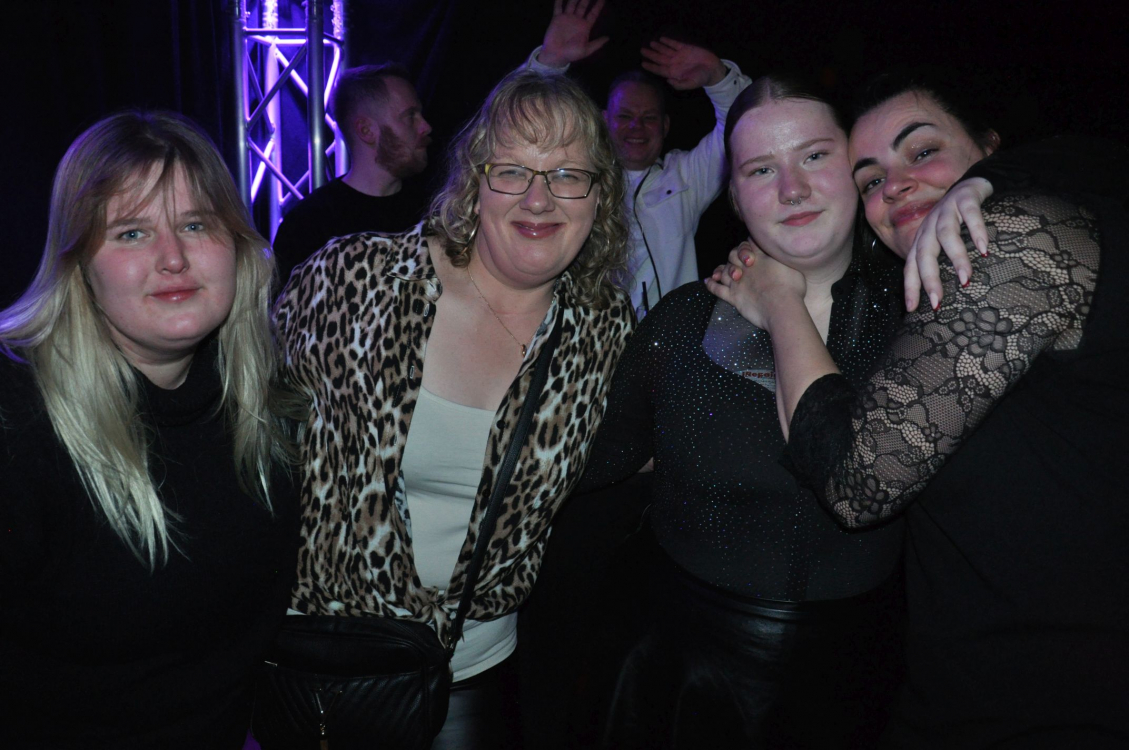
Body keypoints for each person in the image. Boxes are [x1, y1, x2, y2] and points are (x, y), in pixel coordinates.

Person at [709, 73, 1129, 747]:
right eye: (871, 178)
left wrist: (777, 300)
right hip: (963, 692)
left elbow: (857, 483)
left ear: (989, 149)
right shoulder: (910, 304)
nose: (896, 185)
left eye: (922, 151)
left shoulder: (1015, 235)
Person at [274, 67, 633, 749]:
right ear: (475, 182)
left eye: (566, 174)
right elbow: (242, 427)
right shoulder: (352, 278)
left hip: (475, 673)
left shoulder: (603, 329)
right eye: (512, 171)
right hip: (329, 665)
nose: (538, 198)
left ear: (598, 196)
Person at [574, 76, 909, 749]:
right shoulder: (680, 325)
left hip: (865, 677)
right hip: (684, 674)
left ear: (856, 168)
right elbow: (591, 463)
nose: (792, 189)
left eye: (815, 156)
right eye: (761, 169)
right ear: (733, 194)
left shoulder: (927, 320)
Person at [0, 111, 301, 749]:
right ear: (79, 265)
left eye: (196, 225)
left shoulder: (262, 401)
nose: (173, 258)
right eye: (132, 233)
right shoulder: (16, 421)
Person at [527, 0, 751, 317]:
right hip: (578, 334)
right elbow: (517, 130)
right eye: (625, 116)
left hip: (665, 340)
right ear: (605, 120)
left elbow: (744, 126)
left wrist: (717, 76)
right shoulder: (575, 178)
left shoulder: (685, 178)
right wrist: (550, 62)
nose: (636, 127)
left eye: (648, 117)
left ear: (665, 126)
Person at [271, 62, 433, 285]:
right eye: (410, 116)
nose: (425, 127)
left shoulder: (436, 211)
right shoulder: (309, 227)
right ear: (366, 131)